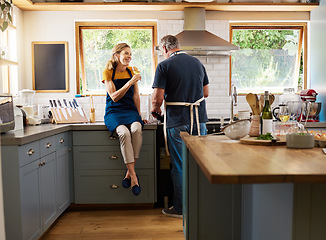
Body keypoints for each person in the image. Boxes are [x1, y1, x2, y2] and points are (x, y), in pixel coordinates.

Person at [151, 35, 209, 218]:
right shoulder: (197, 63)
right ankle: (201, 205)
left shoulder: (164, 66)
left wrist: (155, 110)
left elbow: (157, 98)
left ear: (166, 49)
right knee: (200, 165)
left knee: (179, 165)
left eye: (162, 52)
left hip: (178, 122)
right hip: (199, 121)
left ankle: (181, 208)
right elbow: (205, 92)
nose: (163, 55)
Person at [102, 43, 144, 196]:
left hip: (130, 111)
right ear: (116, 55)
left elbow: (136, 96)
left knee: (136, 129)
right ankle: (134, 177)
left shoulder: (132, 71)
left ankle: (129, 173)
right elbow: (114, 97)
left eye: (130, 54)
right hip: (114, 112)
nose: (129, 56)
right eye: (126, 53)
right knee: (124, 133)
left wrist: (139, 116)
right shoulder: (108, 73)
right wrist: (130, 82)